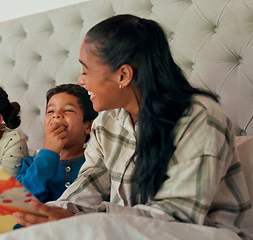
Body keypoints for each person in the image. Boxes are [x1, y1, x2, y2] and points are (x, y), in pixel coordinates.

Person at [13, 14, 253, 239]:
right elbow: (87, 187)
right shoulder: (106, 123)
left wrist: (82, 219)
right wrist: (47, 212)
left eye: (86, 69)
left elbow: (178, 217)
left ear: (123, 75)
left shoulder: (199, 118)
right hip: (127, 232)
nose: (80, 79)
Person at [15, 84, 97, 202]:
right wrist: (49, 153)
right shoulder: (30, 164)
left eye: (68, 110)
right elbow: (19, 201)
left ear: (88, 126)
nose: (56, 115)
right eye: (50, 111)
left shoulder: (94, 162)